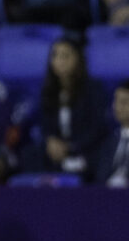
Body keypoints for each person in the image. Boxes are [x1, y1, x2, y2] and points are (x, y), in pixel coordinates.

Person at [38, 38, 107, 176]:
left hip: (84, 149)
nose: (59, 61)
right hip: (57, 151)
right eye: (55, 55)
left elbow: (97, 128)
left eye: (65, 56)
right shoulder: (48, 91)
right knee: (31, 153)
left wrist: (70, 147)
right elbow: (45, 124)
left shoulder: (93, 89)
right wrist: (51, 141)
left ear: (78, 59)